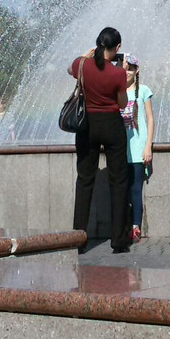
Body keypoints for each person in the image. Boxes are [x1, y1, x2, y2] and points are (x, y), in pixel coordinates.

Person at [70, 27, 131, 253]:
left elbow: (70, 67)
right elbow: (123, 104)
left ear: (97, 45)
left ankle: (77, 239)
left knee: (85, 179)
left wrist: (87, 55)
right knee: (119, 181)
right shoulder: (118, 74)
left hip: (86, 125)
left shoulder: (83, 65)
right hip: (111, 125)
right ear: (117, 48)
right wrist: (123, 76)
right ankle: (118, 240)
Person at [122, 54, 155, 242]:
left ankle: (135, 227)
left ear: (137, 71)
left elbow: (150, 119)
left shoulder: (143, 90)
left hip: (137, 150)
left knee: (135, 189)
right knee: (122, 192)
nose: (127, 72)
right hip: (120, 150)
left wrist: (148, 146)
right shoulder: (116, 92)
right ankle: (123, 225)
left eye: (131, 68)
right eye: (124, 68)